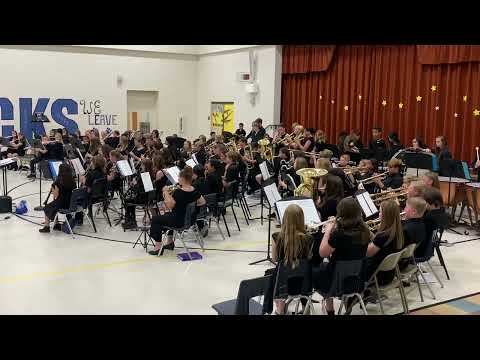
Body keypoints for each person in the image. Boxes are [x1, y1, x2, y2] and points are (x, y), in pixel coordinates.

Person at [313, 197, 371, 315]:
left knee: (317, 269)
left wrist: (329, 230)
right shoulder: (365, 231)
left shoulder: (338, 235)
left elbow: (322, 253)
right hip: (357, 280)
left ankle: (330, 310)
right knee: (328, 267)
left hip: (335, 283)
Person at [148, 167, 206, 256]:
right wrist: (189, 207)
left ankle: (158, 247)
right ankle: (170, 242)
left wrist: (166, 192)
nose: (177, 179)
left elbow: (170, 205)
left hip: (179, 222)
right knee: (167, 215)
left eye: (179, 178)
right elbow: (202, 202)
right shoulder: (194, 190)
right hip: (190, 220)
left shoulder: (178, 192)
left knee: (156, 219)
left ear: (182, 179)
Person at [269, 204, 313, 315]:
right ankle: (305, 307)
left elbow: (274, 259)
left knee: (277, 273)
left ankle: (280, 309)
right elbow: (308, 258)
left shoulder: (276, 237)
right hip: (303, 284)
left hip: (283, 285)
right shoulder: (309, 238)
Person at [39, 163, 76, 233]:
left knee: (46, 208)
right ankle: (56, 224)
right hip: (70, 203)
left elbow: (56, 196)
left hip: (61, 203)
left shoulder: (58, 181)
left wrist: (53, 188)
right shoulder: (73, 180)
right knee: (55, 206)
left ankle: (47, 227)